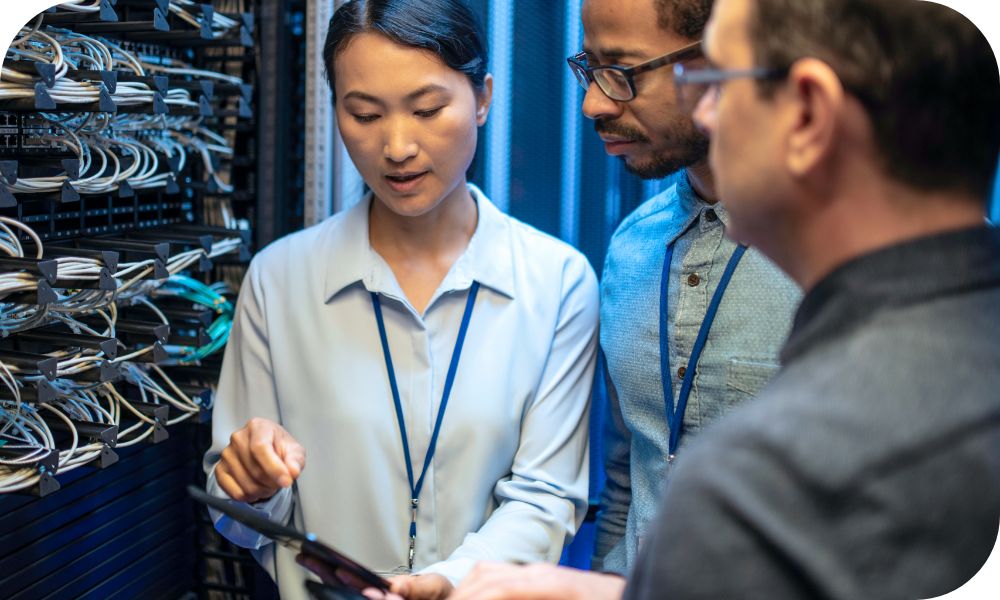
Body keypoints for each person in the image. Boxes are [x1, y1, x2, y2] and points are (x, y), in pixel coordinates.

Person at [449, 0, 1000, 598]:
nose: (707, 112)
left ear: (810, 113)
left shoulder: (757, 467)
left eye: (719, 83)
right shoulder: (633, 247)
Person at [202, 1, 599, 599]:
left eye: (427, 109)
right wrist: (250, 486)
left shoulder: (557, 282)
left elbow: (546, 498)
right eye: (363, 114)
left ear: (483, 98)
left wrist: (447, 582)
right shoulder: (279, 279)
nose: (396, 146)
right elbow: (243, 519)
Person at [567, 0, 799, 573]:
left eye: (622, 74)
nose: (592, 103)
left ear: (724, 62)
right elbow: (628, 477)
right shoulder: (631, 248)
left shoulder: (851, 259)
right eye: (589, 67)